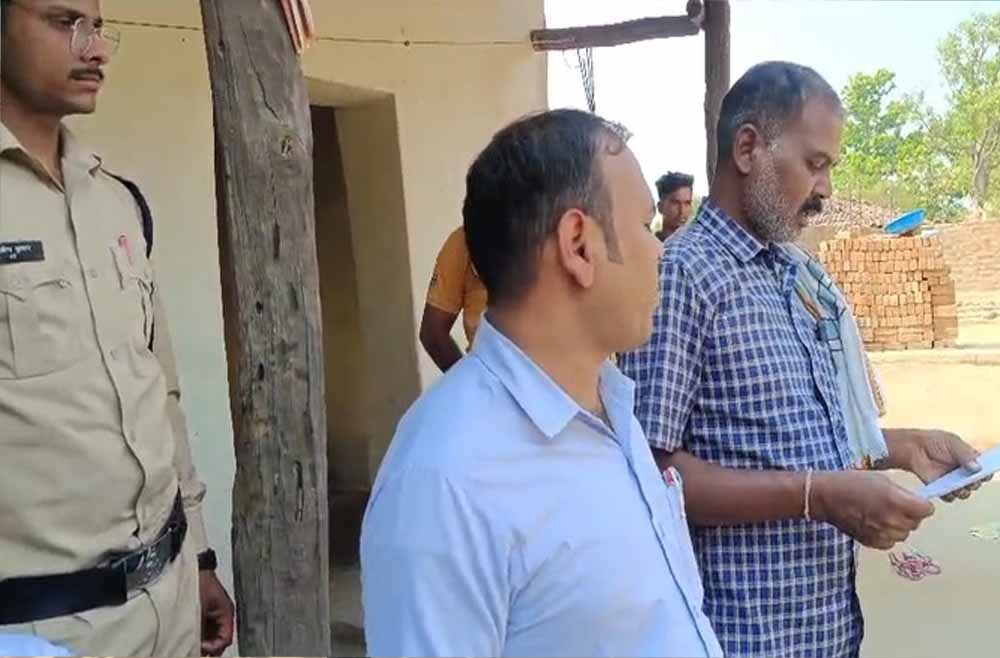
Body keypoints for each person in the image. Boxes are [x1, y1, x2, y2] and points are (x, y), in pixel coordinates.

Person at [620, 61, 988, 658]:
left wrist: (903, 447)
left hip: (825, 631)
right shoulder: (681, 277)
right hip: (742, 637)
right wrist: (818, 495)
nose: (826, 190)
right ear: (748, 149)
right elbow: (650, 476)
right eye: (815, 164)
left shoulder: (794, 273)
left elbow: (793, 436)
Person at [361, 109, 723, 657]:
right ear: (578, 244)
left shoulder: (612, 408)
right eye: (645, 226)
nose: (660, 250)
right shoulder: (445, 481)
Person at [0, 1, 234, 655]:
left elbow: (159, 393)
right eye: (64, 22)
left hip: (171, 600)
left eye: (99, 27)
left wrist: (200, 557)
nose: (97, 48)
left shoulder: (118, 202)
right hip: (45, 630)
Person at [419, 226, 488, 371]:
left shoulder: (537, 236)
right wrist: (469, 380)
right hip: (486, 374)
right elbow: (433, 333)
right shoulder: (464, 241)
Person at [655, 171, 694, 241]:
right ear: (660, 207)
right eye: (675, 203)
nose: (682, 211)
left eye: (687, 203)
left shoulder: (697, 245)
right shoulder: (647, 245)